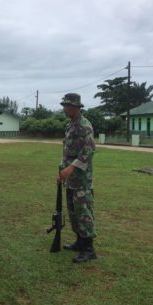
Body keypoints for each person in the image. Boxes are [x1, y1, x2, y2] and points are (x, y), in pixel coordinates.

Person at [58, 93, 97, 264]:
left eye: (67, 106)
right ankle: (80, 242)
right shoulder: (70, 125)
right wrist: (62, 171)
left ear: (75, 107)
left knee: (83, 213)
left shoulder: (84, 125)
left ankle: (89, 249)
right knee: (73, 212)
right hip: (71, 178)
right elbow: (67, 150)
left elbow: (89, 150)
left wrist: (71, 168)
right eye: (64, 105)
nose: (64, 109)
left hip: (82, 179)